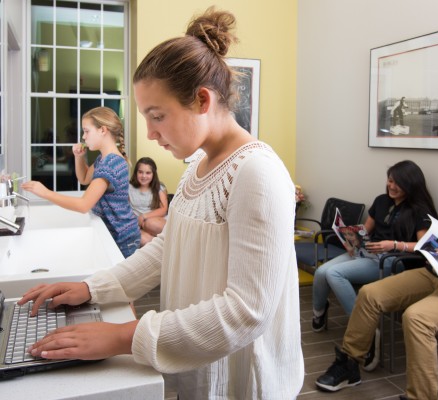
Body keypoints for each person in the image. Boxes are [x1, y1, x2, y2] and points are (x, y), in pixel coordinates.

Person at [18, 7, 304, 399]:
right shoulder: (197, 167)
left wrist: (123, 336)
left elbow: (246, 311)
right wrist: (93, 288)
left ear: (202, 100)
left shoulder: (257, 172)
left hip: (241, 378)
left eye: (157, 116)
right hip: (200, 363)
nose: (150, 133)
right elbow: (171, 248)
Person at [314, 157, 438, 400]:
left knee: (416, 317)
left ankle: (420, 396)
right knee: (369, 294)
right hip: (436, 274)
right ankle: (349, 364)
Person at [312, 160, 437, 371]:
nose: (392, 186)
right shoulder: (381, 201)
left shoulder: (419, 210)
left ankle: (364, 332)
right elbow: (366, 229)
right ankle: (319, 313)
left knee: (335, 274)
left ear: (411, 184)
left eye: (398, 183)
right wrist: (350, 236)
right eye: (389, 181)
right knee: (322, 272)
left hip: (392, 260)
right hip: (367, 252)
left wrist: (394, 244)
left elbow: (425, 246)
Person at [21, 107, 141, 258]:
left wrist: (45, 193)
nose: (83, 137)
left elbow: (84, 205)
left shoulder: (110, 163)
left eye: (86, 131)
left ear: (102, 130)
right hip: (119, 232)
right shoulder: (104, 159)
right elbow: (84, 178)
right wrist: (79, 157)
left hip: (122, 237)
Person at [129, 157, 168, 246]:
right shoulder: (129, 188)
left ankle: (174, 243)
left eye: (148, 173)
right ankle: (163, 248)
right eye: (140, 172)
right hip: (138, 225)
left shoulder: (159, 187)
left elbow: (163, 209)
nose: (144, 176)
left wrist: (143, 217)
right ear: (136, 173)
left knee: (149, 223)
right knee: (144, 240)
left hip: (155, 221)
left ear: (153, 174)